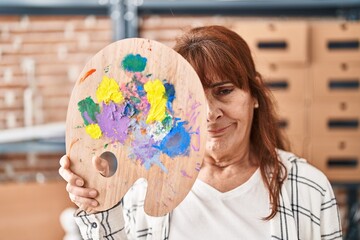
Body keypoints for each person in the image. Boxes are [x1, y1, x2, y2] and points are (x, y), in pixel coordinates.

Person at [59, 25, 342, 240]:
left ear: (254, 94)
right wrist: (99, 203)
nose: (209, 113)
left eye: (224, 91)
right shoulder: (141, 191)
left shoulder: (308, 188)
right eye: (190, 96)